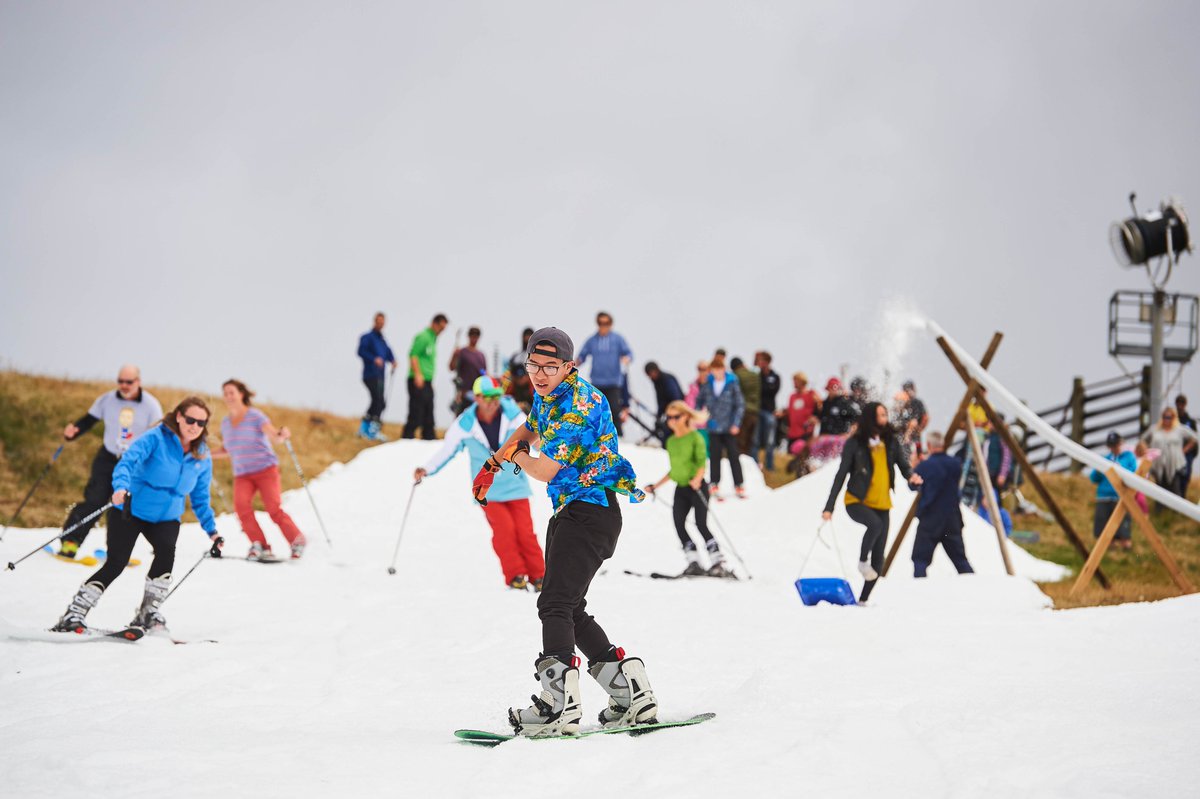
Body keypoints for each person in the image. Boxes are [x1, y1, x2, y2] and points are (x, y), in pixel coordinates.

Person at [472, 327, 652, 738]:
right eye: (533, 365)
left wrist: (515, 457)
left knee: (554, 603)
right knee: (568, 606)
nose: (539, 374)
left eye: (549, 367)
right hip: (574, 511)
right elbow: (528, 429)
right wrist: (494, 463)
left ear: (569, 366)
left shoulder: (582, 404)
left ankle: (559, 708)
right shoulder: (548, 394)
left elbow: (543, 469)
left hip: (591, 511)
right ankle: (631, 696)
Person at [51, 397, 224, 633]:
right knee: (116, 563)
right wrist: (120, 487)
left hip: (166, 516)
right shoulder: (156, 438)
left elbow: (201, 497)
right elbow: (127, 463)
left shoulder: (202, 455)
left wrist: (212, 531)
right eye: (190, 420)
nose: (195, 426)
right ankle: (74, 614)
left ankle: (147, 614)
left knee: (165, 556)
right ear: (179, 417)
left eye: (201, 423)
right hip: (131, 509)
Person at [415, 376, 546, 590]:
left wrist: (557, 454)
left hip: (516, 486)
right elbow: (447, 451)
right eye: (488, 397)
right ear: (476, 398)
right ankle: (515, 575)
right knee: (504, 533)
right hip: (488, 491)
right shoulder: (464, 424)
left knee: (525, 532)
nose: (493, 402)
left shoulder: (513, 415)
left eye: (497, 396)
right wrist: (426, 469)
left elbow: (536, 439)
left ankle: (539, 575)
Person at [57, 364, 164, 564]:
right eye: (120, 381)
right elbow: (88, 421)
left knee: (122, 507)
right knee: (94, 500)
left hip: (133, 463)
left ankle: (117, 551)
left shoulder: (151, 405)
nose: (124, 385)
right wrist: (74, 432)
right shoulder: (107, 399)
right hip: (107, 457)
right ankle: (70, 542)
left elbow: (158, 435)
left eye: (129, 382)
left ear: (138, 382)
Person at [822, 402, 921, 603]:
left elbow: (903, 466)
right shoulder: (855, 443)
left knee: (879, 560)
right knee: (874, 525)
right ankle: (862, 561)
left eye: (886, 414)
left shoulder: (890, 442)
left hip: (883, 503)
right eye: (881, 415)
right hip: (857, 501)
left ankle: (863, 600)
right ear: (870, 418)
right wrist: (829, 507)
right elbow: (841, 475)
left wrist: (911, 477)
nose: (885, 418)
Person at [212, 379, 307, 561]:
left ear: (241, 394)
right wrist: (205, 455)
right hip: (242, 474)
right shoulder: (226, 423)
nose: (228, 396)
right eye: (225, 393)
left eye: (232, 392)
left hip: (265, 469)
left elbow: (274, 436)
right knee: (242, 509)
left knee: (273, 508)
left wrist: (282, 434)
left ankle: (296, 540)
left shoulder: (255, 416)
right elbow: (227, 449)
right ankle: (260, 544)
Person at [643, 401, 728, 577]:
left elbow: (701, 462)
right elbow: (675, 470)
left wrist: (697, 479)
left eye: (676, 417)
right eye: (669, 417)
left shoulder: (695, 437)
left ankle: (718, 562)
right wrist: (655, 486)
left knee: (701, 524)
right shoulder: (672, 441)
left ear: (686, 417)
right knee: (679, 524)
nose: (672, 420)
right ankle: (694, 562)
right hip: (681, 488)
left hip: (697, 487)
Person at [911, 431, 973, 577]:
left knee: (920, 559)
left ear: (929, 445)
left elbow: (913, 485)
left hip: (930, 519)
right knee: (960, 560)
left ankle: (919, 590)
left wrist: (916, 467)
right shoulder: (955, 464)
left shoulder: (925, 467)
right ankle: (974, 588)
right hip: (952, 518)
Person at [697, 352, 746, 500]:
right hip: (713, 425)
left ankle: (739, 484)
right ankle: (714, 483)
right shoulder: (708, 384)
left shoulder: (732, 383)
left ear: (723, 369)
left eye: (719, 369)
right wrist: (702, 412)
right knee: (715, 455)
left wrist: (736, 423)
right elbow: (700, 400)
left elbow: (740, 405)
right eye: (714, 369)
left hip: (729, 426)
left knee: (733, 455)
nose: (717, 372)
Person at [576, 311, 632, 436]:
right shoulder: (592, 340)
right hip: (597, 382)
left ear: (611, 324)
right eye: (600, 323)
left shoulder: (617, 339)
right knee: (595, 410)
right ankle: (597, 436)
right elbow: (582, 355)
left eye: (606, 323)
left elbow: (629, 353)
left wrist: (626, 358)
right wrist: (576, 362)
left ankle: (618, 436)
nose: (603, 326)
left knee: (614, 409)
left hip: (613, 381)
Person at [1089, 431, 1138, 551]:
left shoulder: (1129, 457)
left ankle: (1126, 545)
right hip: (1104, 496)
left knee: (1122, 523)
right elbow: (1094, 478)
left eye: (1116, 445)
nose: (1114, 448)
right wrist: (1100, 469)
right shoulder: (1105, 459)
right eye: (1111, 446)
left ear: (1121, 443)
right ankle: (1109, 546)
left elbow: (1134, 474)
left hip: (1120, 496)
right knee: (1104, 523)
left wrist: (1120, 467)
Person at [404, 313, 449, 440]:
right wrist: (418, 374)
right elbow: (413, 355)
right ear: (434, 324)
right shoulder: (423, 336)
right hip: (418, 379)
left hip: (427, 381)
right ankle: (407, 437)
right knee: (416, 411)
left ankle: (429, 438)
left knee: (429, 411)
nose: (441, 331)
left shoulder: (433, 339)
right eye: (440, 327)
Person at [1141, 406, 1198, 500]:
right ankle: (1161, 513)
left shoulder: (1180, 429)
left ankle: (1176, 513)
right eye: (1164, 417)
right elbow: (1143, 440)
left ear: (1174, 417)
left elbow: (1194, 438)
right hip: (1158, 464)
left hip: (1175, 464)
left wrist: (1184, 450)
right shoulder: (1155, 429)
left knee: (1176, 491)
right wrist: (1147, 452)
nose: (1166, 419)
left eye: (1169, 417)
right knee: (1159, 491)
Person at [357, 312, 397, 442]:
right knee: (379, 400)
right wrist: (374, 359)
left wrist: (393, 361)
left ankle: (364, 429)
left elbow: (389, 353)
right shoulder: (367, 337)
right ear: (374, 321)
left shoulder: (382, 340)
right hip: (370, 374)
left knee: (377, 401)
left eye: (383, 322)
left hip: (381, 375)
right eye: (378, 321)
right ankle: (373, 431)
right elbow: (361, 351)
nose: (380, 323)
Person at [811, 377, 858, 462]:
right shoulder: (823, 404)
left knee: (835, 457)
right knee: (815, 452)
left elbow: (855, 418)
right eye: (831, 387)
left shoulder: (844, 403)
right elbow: (816, 417)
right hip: (824, 437)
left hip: (839, 437)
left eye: (835, 387)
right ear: (827, 389)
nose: (833, 390)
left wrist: (849, 434)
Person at [783, 372, 822, 472]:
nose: (794, 383)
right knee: (792, 454)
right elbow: (790, 411)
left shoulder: (811, 394)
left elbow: (821, 408)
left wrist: (815, 416)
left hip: (806, 432)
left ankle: (803, 471)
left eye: (796, 381)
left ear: (802, 381)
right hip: (793, 432)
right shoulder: (792, 396)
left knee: (803, 454)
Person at [449, 326, 489, 414]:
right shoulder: (462, 352)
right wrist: (454, 355)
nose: (474, 338)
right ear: (469, 336)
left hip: (477, 394)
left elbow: (484, 373)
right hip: (463, 394)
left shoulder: (481, 355)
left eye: (476, 336)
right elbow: (451, 367)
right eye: (472, 335)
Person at [643, 361, 684, 444]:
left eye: (652, 373)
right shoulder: (656, 381)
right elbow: (660, 400)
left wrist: (671, 414)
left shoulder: (667, 379)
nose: (651, 377)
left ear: (656, 370)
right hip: (668, 410)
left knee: (669, 431)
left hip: (676, 410)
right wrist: (659, 415)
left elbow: (675, 397)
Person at [754, 351, 782, 472]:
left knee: (770, 441)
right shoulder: (756, 376)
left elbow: (772, 391)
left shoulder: (775, 376)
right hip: (757, 411)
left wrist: (764, 388)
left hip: (770, 412)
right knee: (755, 440)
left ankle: (769, 466)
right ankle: (754, 465)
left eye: (761, 360)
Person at [894, 380, 929, 466]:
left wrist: (917, 430)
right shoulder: (902, 401)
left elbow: (922, 419)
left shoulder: (916, 402)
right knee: (912, 453)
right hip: (906, 434)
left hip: (910, 435)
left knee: (911, 454)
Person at [502, 327, 536, 413]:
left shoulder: (537, 357)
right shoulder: (516, 356)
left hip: (531, 386)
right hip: (516, 387)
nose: (527, 339)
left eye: (530, 336)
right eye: (526, 336)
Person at [1176, 394, 1197, 489]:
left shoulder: (1190, 421)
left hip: (1186, 454)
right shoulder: (1173, 420)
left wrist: (1184, 450)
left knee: (1185, 478)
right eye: (1178, 403)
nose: (1180, 406)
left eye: (1182, 403)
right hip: (1174, 454)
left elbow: (1194, 439)